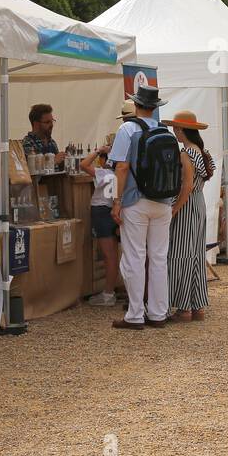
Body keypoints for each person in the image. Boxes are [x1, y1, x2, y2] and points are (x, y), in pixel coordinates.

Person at [110, 85, 174, 329]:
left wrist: (116, 201)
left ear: (136, 105)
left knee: (134, 257)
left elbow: (122, 167)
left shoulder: (127, 128)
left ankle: (135, 315)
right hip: (163, 201)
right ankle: (158, 313)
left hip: (135, 200)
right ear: (155, 107)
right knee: (158, 258)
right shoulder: (163, 130)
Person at [164, 111, 213, 321]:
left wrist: (174, 209)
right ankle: (197, 306)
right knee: (195, 255)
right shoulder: (200, 151)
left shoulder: (186, 153)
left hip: (187, 204)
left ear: (182, 130)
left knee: (180, 254)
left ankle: (184, 308)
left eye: (176, 128)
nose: (174, 131)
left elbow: (186, 186)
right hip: (199, 203)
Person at [81, 136, 120, 307]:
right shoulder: (121, 175)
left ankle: (108, 294)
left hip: (102, 211)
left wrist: (98, 150)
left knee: (108, 255)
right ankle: (110, 290)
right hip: (112, 211)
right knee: (113, 254)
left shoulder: (105, 174)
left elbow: (83, 165)